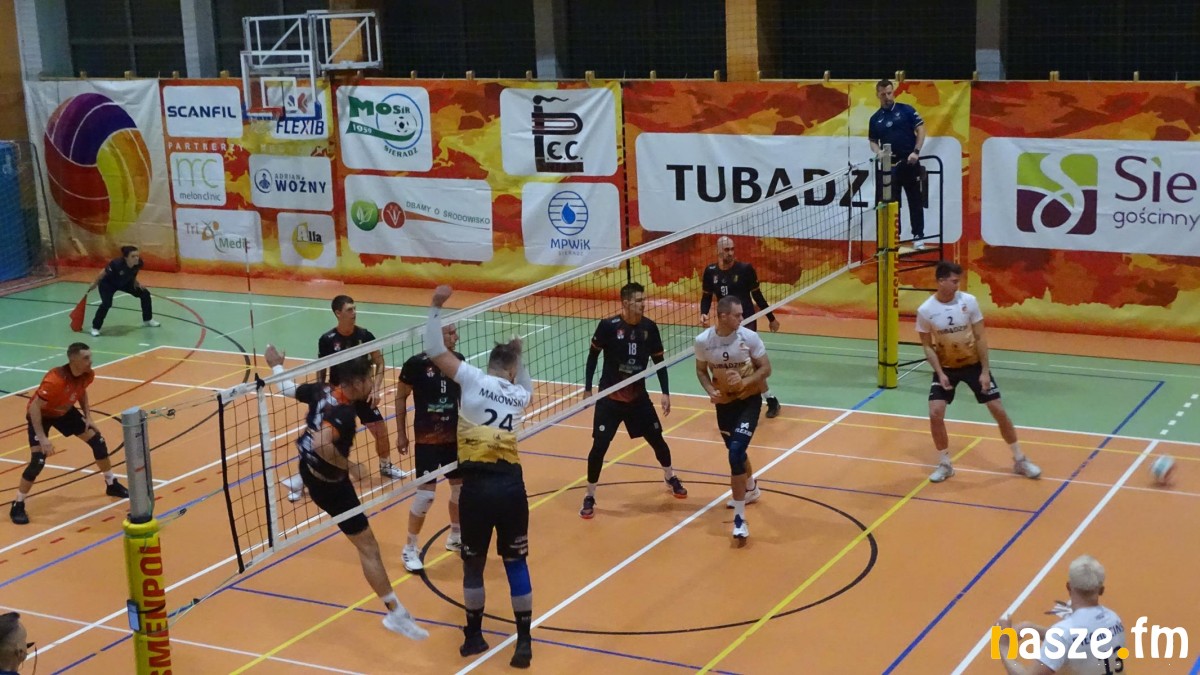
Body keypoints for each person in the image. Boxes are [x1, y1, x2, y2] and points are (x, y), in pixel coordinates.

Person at [263, 343, 429, 641]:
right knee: (369, 548)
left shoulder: (321, 390)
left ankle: (299, 482)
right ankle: (395, 613)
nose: (371, 385)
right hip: (331, 486)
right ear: (356, 382)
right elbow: (322, 444)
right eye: (369, 380)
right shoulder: (342, 414)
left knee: (313, 462)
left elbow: (286, 389)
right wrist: (351, 466)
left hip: (309, 469)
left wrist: (276, 364)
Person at [424, 285, 535, 668]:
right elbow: (525, 383)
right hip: (511, 488)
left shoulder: (472, 379)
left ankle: (474, 635)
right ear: (512, 370)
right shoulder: (519, 396)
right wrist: (520, 352)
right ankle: (524, 642)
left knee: (473, 564)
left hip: (476, 489)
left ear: (489, 365)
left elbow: (435, 350)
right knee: (516, 563)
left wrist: (435, 307)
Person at [917, 261, 1040, 483]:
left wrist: (985, 371)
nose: (957, 285)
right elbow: (927, 346)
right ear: (941, 281)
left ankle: (1020, 460)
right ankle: (945, 464)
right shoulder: (926, 310)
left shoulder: (968, 301)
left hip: (973, 365)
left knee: (998, 409)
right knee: (935, 413)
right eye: (954, 281)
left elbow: (981, 337)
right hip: (947, 368)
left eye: (958, 281)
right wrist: (940, 373)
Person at [580, 282, 686, 519]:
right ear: (626, 303)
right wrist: (587, 388)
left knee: (658, 441)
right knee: (599, 448)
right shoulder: (608, 326)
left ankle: (670, 476)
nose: (643, 304)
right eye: (638, 300)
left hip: (638, 399)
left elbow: (659, 362)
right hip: (610, 398)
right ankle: (590, 495)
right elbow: (592, 356)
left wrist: (666, 392)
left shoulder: (649, 328)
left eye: (643, 300)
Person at [283, 295, 403, 503]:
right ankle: (300, 481)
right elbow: (321, 369)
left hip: (362, 394)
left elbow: (380, 363)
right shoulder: (327, 340)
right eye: (349, 310)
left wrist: (375, 389)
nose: (354, 313)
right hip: (339, 397)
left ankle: (385, 465)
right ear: (338, 313)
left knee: (381, 431)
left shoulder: (364, 335)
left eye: (354, 309)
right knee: (323, 442)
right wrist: (321, 394)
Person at [10, 343, 127, 525]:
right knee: (37, 461)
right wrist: (43, 438)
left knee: (98, 442)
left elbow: (81, 391)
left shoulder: (87, 374)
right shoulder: (55, 379)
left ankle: (111, 484)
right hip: (42, 416)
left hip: (64, 412)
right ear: (73, 360)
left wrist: (88, 416)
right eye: (86, 358)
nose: (91, 361)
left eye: (90, 357)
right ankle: (18, 504)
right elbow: (34, 407)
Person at [694, 296, 772, 541]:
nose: (742, 318)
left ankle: (739, 522)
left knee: (735, 452)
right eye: (737, 315)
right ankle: (751, 489)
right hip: (725, 405)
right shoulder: (704, 341)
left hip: (749, 400)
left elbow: (766, 369)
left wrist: (745, 381)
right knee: (736, 452)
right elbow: (700, 370)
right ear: (723, 316)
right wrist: (710, 390)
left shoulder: (749, 337)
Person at [397, 322, 466, 572]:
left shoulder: (458, 360)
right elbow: (400, 397)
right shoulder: (415, 364)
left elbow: (462, 397)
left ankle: (456, 536)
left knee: (460, 490)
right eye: (451, 333)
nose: (456, 337)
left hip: (453, 438)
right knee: (426, 496)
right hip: (427, 440)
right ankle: (409, 549)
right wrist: (401, 434)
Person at [993, 555, 1126, 674]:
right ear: (1101, 590)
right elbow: (1077, 640)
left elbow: (1068, 639)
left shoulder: (1063, 633)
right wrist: (1031, 628)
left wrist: (1004, 647)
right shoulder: (1114, 619)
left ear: (1068, 587)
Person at [699, 236, 782, 418]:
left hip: (746, 321)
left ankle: (770, 399)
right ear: (718, 251)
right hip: (725, 324)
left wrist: (771, 318)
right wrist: (703, 312)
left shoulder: (745, 270)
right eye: (726, 249)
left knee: (752, 364)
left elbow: (757, 295)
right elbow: (706, 296)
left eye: (732, 249)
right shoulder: (710, 272)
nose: (730, 253)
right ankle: (740, 397)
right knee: (730, 363)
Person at [868, 78, 928, 247]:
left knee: (915, 200)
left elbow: (921, 129)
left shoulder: (906, 110)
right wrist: (878, 152)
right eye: (883, 94)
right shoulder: (875, 119)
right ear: (878, 95)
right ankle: (895, 237)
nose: (887, 97)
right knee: (892, 204)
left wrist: (916, 152)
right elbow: (872, 141)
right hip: (890, 167)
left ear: (893, 92)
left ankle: (918, 236)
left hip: (909, 163)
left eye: (889, 93)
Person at [88, 245, 160, 337]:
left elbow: (133, 272)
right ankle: (95, 328)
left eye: (137, 256)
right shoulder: (116, 264)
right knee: (106, 304)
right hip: (108, 285)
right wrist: (94, 283)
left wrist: (136, 283)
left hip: (125, 283)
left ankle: (148, 320)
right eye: (133, 256)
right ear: (126, 258)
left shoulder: (139, 263)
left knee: (145, 294)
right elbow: (103, 273)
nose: (136, 258)